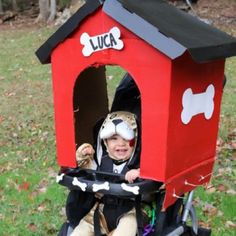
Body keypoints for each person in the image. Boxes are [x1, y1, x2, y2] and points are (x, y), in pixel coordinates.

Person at [71, 111, 140, 236]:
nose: (121, 143)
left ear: (135, 142)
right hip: (102, 211)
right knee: (82, 230)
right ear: (105, 142)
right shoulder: (102, 160)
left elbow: (156, 179)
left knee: (128, 226)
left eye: (126, 138)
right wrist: (83, 156)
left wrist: (140, 173)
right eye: (114, 138)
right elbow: (90, 171)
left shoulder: (139, 162)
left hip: (131, 210)